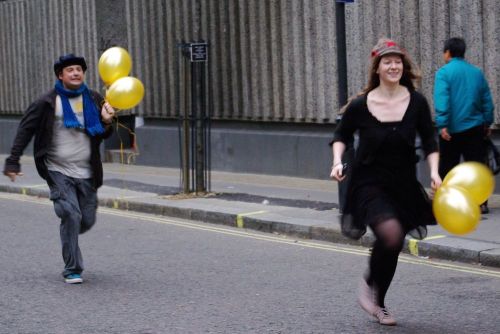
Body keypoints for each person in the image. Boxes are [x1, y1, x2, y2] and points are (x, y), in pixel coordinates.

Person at [330, 38, 441, 326]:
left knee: (392, 243)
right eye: (387, 61)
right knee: (390, 233)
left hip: (403, 183)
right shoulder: (361, 105)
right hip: (369, 181)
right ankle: (369, 284)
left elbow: (430, 140)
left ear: (403, 67)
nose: (393, 66)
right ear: (377, 68)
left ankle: (379, 303)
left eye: (398, 61)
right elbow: (341, 136)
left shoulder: (416, 102)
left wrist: (434, 172)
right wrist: (337, 162)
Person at [3, 54, 115, 284]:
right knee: (71, 215)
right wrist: (13, 161)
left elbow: (103, 134)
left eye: (78, 69)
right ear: (60, 75)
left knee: (86, 220)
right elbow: (26, 130)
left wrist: (107, 122)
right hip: (57, 169)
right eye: (70, 70)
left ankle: (70, 229)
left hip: (87, 171)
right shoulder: (46, 102)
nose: (75, 73)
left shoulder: (93, 98)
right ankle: (72, 268)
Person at [434, 37, 495, 214]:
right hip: (475, 127)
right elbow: (486, 100)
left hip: (451, 130)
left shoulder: (444, 73)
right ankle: (481, 202)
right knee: (475, 165)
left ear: (447, 53)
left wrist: (442, 124)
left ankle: (446, 202)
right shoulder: (476, 73)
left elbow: (442, 100)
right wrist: (487, 121)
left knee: (448, 166)